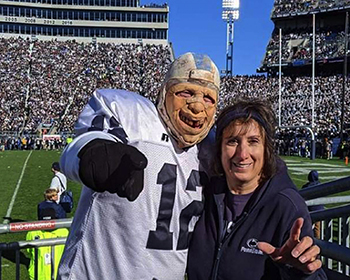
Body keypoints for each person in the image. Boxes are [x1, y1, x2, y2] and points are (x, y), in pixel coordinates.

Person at [58, 54, 321, 279]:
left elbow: (264, 167)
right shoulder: (134, 120)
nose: (196, 106)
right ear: (164, 92)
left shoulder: (209, 150)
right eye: (186, 92)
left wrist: (289, 200)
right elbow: (80, 145)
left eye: (208, 98)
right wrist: (94, 155)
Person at [187, 99, 326, 279]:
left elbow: (312, 271)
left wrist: (300, 272)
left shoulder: (286, 206)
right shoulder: (207, 194)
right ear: (219, 148)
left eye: (253, 141)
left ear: (266, 150)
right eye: (232, 141)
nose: (242, 154)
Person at [302, 170, 325, 239]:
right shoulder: (321, 185)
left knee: (307, 227)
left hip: (309, 210)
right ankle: (317, 240)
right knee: (317, 228)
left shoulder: (306, 187)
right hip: (320, 209)